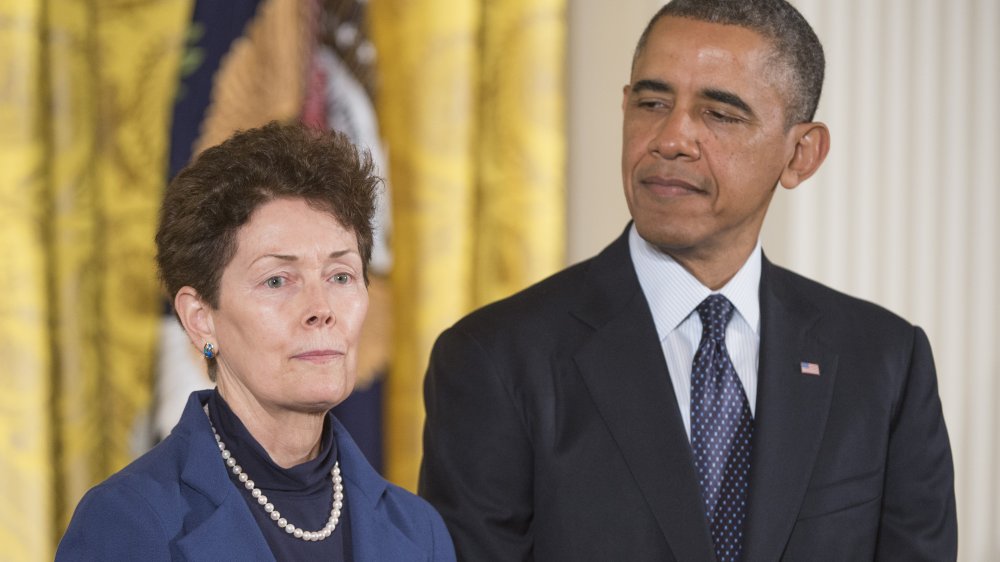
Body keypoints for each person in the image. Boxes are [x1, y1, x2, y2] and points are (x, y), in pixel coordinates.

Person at [418, 1, 957, 561]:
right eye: (652, 103)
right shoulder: (493, 359)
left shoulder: (886, 363)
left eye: (720, 114)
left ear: (801, 154)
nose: (671, 138)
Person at [57, 123, 455, 561]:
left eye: (340, 276)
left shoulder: (419, 532)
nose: (320, 308)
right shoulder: (126, 525)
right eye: (277, 280)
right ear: (200, 318)